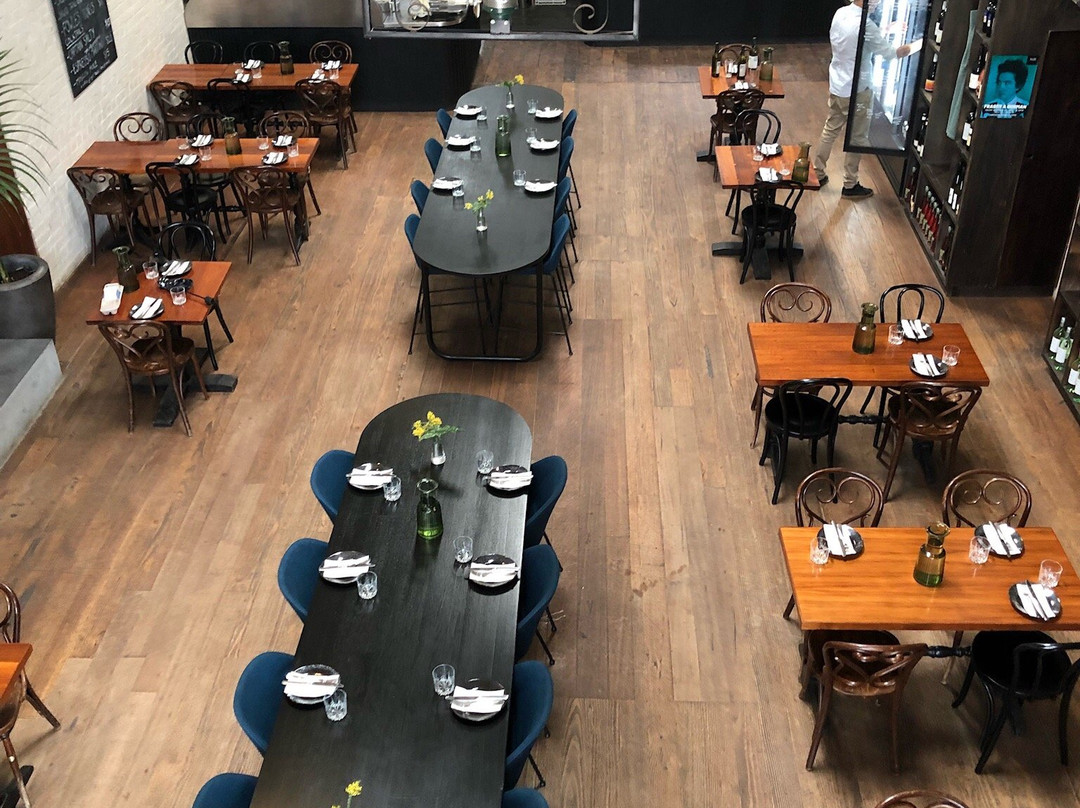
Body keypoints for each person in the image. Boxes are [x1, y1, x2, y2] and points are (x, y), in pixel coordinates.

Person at [814, 0, 916, 199]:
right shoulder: (866, 25)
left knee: (830, 129)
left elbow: (858, 39)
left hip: (838, 84)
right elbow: (891, 53)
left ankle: (817, 173)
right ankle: (850, 184)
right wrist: (916, 45)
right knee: (857, 138)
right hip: (858, 90)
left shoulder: (841, 13)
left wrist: (885, 30)